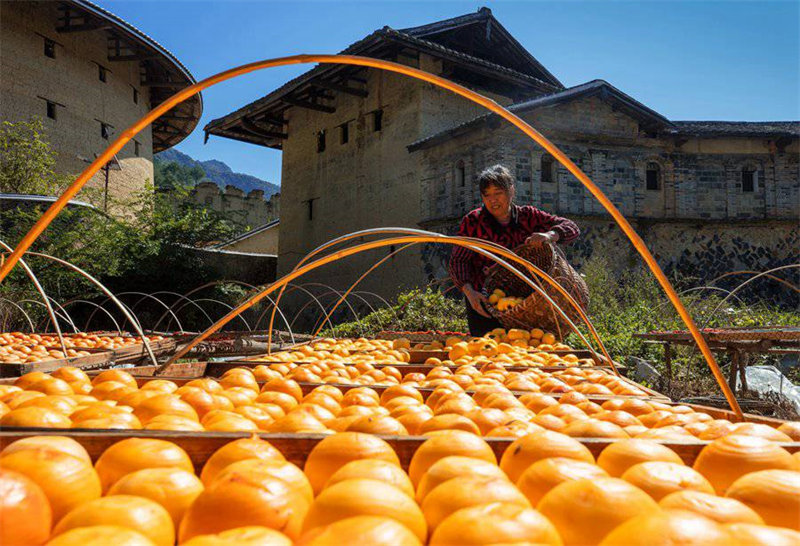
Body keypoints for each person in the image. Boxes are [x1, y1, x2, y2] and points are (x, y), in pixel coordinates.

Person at [449, 164, 580, 336]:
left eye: (498, 193)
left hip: (527, 306)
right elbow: (459, 261)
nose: (493, 200)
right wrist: (469, 293)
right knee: (486, 349)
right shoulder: (473, 222)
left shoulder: (529, 216)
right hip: (485, 303)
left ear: (511, 191)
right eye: (487, 195)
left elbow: (571, 227)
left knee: (530, 347)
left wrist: (550, 235)